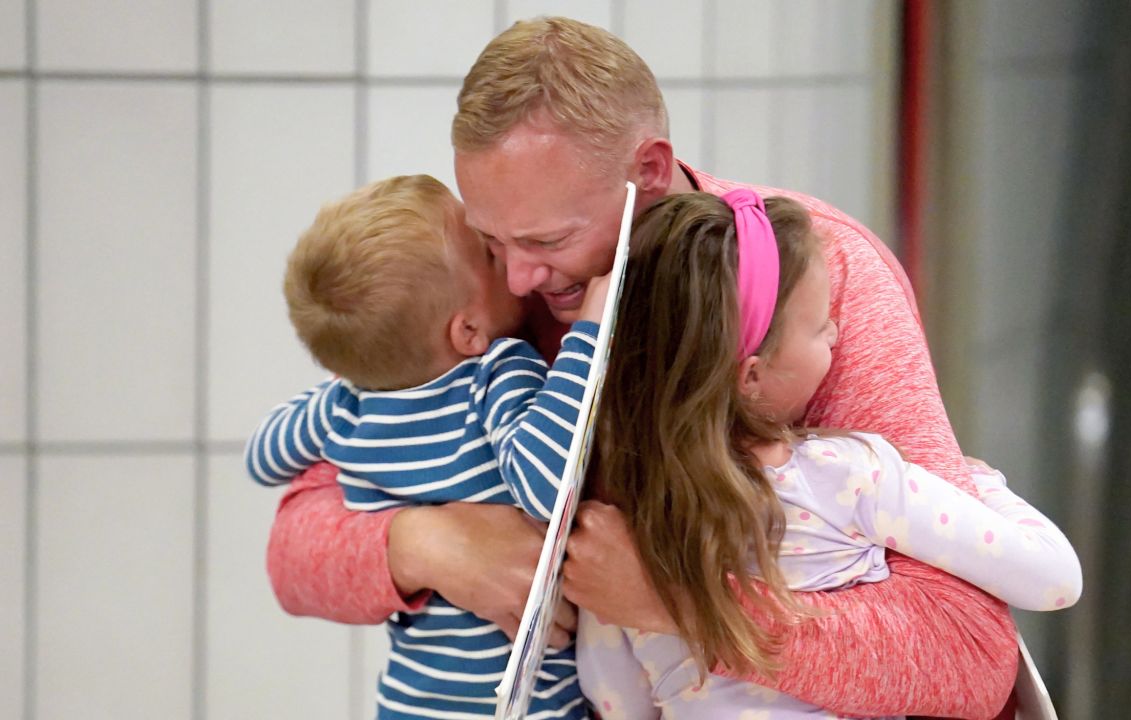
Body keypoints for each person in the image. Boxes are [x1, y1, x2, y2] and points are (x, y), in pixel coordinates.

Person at [265, 17, 1021, 719]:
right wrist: (428, 543)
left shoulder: (813, 282)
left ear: (650, 170)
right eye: (494, 241)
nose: (520, 280)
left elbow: (968, 651)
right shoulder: (484, 301)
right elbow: (293, 552)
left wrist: (680, 605)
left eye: (548, 241)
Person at [576, 190, 1082, 719]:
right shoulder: (845, 477)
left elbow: (616, 699)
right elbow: (1054, 579)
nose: (838, 334)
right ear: (751, 376)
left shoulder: (620, 535)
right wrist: (984, 487)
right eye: (820, 327)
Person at [245, 174, 606, 719]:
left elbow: (263, 458)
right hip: (526, 706)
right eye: (488, 255)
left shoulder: (346, 404)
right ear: (467, 332)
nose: (508, 266)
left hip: (410, 701)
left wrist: (351, 381)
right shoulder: (496, 373)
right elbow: (549, 484)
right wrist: (588, 338)